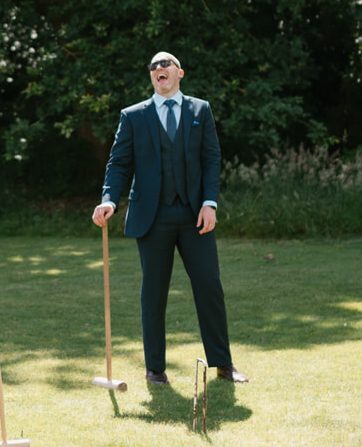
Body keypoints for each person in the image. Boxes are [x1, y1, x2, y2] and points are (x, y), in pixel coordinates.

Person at [91, 51, 247, 387]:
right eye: (153, 66)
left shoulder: (199, 110)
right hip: (152, 216)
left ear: (180, 73)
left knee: (209, 286)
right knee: (154, 293)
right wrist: (108, 200)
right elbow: (119, 164)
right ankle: (155, 369)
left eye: (165, 64)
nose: (158, 69)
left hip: (195, 216)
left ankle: (223, 364)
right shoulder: (133, 116)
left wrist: (210, 203)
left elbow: (211, 159)